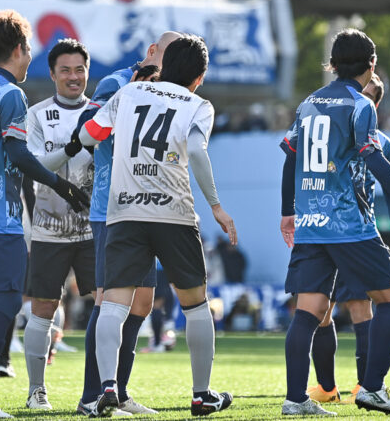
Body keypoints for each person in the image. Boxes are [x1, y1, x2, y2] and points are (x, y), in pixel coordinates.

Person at [279, 28, 390, 416]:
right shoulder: (361, 104)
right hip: (349, 224)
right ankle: (372, 388)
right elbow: (373, 157)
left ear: (332, 64)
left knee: (308, 310)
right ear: (372, 64)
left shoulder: (308, 103)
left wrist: (287, 211)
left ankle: (295, 399)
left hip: (311, 222)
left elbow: (290, 156)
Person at [79, 34, 238, 418]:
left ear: (164, 66)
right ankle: (201, 395)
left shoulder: (129, 93)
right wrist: (216, 206)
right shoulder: (199, 105)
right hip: (173, 214)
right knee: (196, 305)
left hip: (125, 213)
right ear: (199, 77)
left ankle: (107, 388)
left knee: (113, 304)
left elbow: (88, 134)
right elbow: (196, 149)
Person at [0, 10, 89, 418]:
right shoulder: (10, 93)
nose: (30, 57)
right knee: (8, 299)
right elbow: (18, 153)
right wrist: (59, 183)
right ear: (17, 49)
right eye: (28, 49)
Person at [73, 32, 178, 416]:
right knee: (108, 300)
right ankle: (92, 396)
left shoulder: (170, 90)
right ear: (152, 52)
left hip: (146, 210)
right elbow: (87, 129)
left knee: (143, 301)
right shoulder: (116, 82)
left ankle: (118, 390)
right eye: (169, 54)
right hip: (111, 208)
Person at [306, 73, 390, 405]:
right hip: (326, 230)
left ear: (373, 105)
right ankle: (327, 388)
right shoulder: (331, 134)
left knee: (360, 307)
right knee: (320, 309)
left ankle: (365, 385)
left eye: (366, 95)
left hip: (358, 234)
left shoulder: (383, 143)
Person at [21, 38, 98, 410]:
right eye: (65, 70)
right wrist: (73, 145)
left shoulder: (102, 113)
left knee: (108, 305)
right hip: (49, 227)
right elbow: (35, 166)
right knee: (43, 308)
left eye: (79, 69)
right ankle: (36, 390)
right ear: (52, 74)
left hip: (94, 228)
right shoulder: (36, 114)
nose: (73, 76)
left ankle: (102, 390)